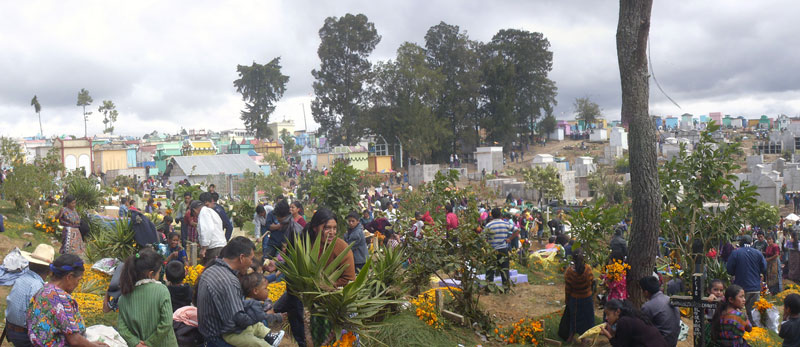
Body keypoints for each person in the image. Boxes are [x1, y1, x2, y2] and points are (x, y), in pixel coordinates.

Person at [273, 208, 355, 347]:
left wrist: (322, 287)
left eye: (335, 228)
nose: (332, 232)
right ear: (315, 228)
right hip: (302, 303)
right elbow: (294, 273)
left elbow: (349, 279)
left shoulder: (342, 248)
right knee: (304, 338)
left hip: (329, 304)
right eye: (327, 227)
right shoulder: (303, 244)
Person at [27, 254, 108, 347]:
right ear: (69, 277)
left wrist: (89, 344)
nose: (77, 284)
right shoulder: (61, 299)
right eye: (78, 280)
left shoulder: (44, 290)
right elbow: (74, 340)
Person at [197, 236, 262, 347]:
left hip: (207, 334)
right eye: (251, 259)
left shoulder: (211, 270)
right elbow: (235, 322)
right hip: (218, 339)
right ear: (241, 258)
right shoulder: (229, 281)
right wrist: (264, 316)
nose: (251, 263)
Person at [117, 249, 178, 347]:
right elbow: (166, 323)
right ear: (151, 274)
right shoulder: (161, 290)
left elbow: (121, 327)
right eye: (159, 272)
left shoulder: (124, 297)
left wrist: (135, 342)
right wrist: (150, 343)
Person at [5, 244, 54, 347]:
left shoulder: (21, 278)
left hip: (10, 329)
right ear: (49, 271)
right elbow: (38, 317)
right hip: (23, 336)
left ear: (30, 263)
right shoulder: (37, 286)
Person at [222, 271, 285, 347]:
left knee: (258, 326)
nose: (267, 290)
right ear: (255, 291)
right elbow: (263, 316)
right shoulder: (251, 303)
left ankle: (269, 337)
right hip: (233, 334)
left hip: (241, 328)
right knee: (256, 342)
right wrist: (278, 317)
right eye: (265, 288)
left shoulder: (248, 300)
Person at [726, 235, 767, 323]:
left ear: (740, 242)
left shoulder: (735, 253)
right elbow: (764, 268)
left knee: (738, 313)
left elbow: (729, 269)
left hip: (740, 289)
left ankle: (739, 330)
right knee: (754, 314)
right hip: (755, 287)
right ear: (751, 242)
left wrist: (736, 272)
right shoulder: (758, 253)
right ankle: (754, 332)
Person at [600, 299, 667, 347]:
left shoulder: (623, 321)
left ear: (617, 311)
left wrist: (608, 335)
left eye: (608, 314)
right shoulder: (631, 317)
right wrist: (612, 332)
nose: (606, 318)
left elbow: (620, 345)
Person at [639, 276, 681, 346]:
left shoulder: (648, 306)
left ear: (646, 292)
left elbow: (641, 329)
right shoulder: (669, 299)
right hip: (673, 341)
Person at [484, 208, 519, 289]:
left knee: (490, 270)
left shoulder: (489, 225)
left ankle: (489, 288)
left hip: (492, 250)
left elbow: (482, 236)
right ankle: (506, 288)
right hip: (503, 249)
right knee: (504, 269)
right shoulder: (505, 224)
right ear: (500, 215)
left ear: (492, 215)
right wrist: (510, 239)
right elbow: (517, 231)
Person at [563, 250, 594, 343]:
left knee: (574, 319)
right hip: (587, 298)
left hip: (574, 299)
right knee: (585, 319)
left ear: (572, 259)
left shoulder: (569, 272)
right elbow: (591, 282)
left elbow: (567, 288)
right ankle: (584, 340)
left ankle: (570, 337)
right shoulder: (588, 269)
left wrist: (567, 299)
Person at [198, 192, 227, 267]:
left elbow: (207, 229)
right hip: (220, 246)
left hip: (214, 248)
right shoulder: (212, 212)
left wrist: (204, 248)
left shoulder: (204, 211)